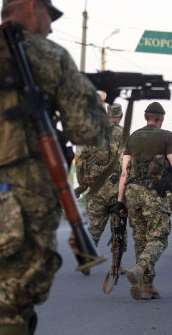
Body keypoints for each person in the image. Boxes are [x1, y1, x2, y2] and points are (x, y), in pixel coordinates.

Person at [0, 0, 110, 335]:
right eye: (49, 15)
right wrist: (96, 106)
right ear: (33, 8)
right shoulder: (48, 54)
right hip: (24, 203)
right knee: (14, 313)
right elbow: (88, 133)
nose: (51, 26)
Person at [116, 102, 172, 300]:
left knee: (141, 238)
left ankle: (147, 287)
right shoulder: (166, 136)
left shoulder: (132, 137)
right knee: (159, 237)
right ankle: (140, 268)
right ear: (161, 119)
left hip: (132, 191)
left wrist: (120, 200)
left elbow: (124, 172)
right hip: (153, 191)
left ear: (145, 117)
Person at [75, 103, 125, 275]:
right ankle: (115, 265)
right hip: (117, 190)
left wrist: (82, 183)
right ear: (121, 115)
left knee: (94, 227)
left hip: (95, 189)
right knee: (118, 228)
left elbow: (80, 158)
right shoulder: (123, 133)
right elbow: (127, 163)